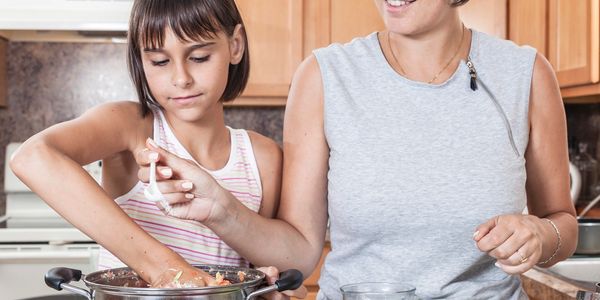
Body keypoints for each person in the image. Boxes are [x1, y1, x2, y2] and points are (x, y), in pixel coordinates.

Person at [134, 0, 579, 298]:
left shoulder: (525, 73)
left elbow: (563, 223)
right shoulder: (325, 76)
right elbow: (301, 254)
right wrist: (219, 208)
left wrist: (542, 235)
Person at [9, 0, 284, 288]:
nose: (181, 78)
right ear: (141, 61)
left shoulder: (263, 159)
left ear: (235, 45)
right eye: (160, 62)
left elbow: (253, 269)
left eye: (200, 57)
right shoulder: (131, 126)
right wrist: (165, 268)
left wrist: (265, 285)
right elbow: (32, 157)